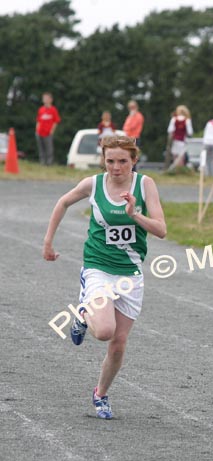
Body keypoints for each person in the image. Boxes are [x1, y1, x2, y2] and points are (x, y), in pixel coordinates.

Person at [42, 135, 167, 419]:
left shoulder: (145, 185)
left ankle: (100, 394)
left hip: (131, 274)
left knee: (118, 343)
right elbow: (63, 203)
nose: (116, 167)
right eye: (110, 161)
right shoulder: (94, 184)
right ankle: (83, 312)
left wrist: (134, 214)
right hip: (98, 267)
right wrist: (48, 241)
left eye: (123, 161)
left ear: (134, 160)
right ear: (104, 160)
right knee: (105, 331)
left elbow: (161, 230)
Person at [35, 92, 61, 165]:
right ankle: (42, 162)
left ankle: (49, 163)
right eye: (44, 98)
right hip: (40, 132)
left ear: (51, 100)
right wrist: (37, 130)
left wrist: (52, 131)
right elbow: (38, 121)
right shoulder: (41, 109)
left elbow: (56, 121)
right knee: (41, 149)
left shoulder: (53, 110)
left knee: (49, 149)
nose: (45, 100)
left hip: (48, 133)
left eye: (46, 98)